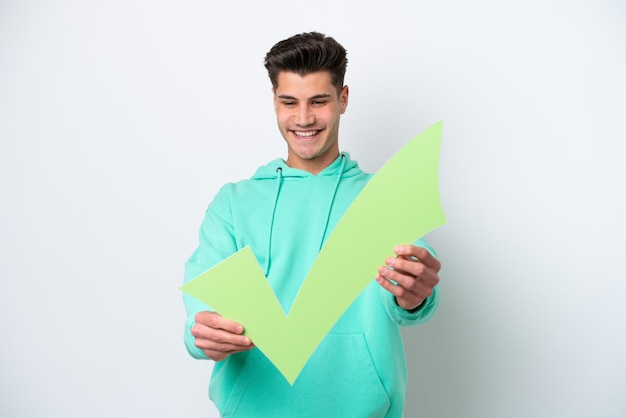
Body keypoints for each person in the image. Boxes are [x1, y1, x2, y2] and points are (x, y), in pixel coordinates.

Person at [182, 32, 441, 417]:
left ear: (343, 99)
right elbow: (201, 315)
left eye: (318, 101)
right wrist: (204, 335)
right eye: (290, 102)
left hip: (361, 408)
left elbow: (411, 298)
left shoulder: (383, 200)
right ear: (274, 103)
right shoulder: (234, 204)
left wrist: (415, 293)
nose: (303, 119)